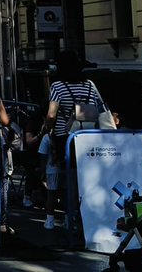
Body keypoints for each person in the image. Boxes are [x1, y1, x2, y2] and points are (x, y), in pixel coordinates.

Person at [43, 49, 113, 229]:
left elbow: (51, 115)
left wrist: (48, 131)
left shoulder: (57, 86)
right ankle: (83, 216)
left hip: (64, 138)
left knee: (66, 178)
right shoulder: (89, 84)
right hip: (88, 137)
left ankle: (67, 216)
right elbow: (101, 107)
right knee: (84, 178)